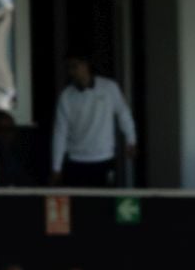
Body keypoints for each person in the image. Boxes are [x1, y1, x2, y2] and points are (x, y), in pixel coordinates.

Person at [50, 55, 136, 187]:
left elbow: (123, 113)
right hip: (76, 160)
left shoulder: (109, 88)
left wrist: (131, 139)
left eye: (74, 67)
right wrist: (56, 167)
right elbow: (60, 132)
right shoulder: (66, 96)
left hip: (104, 158)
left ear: (86, 65)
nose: (71, 72)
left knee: (104, 198)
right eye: (69, 68)